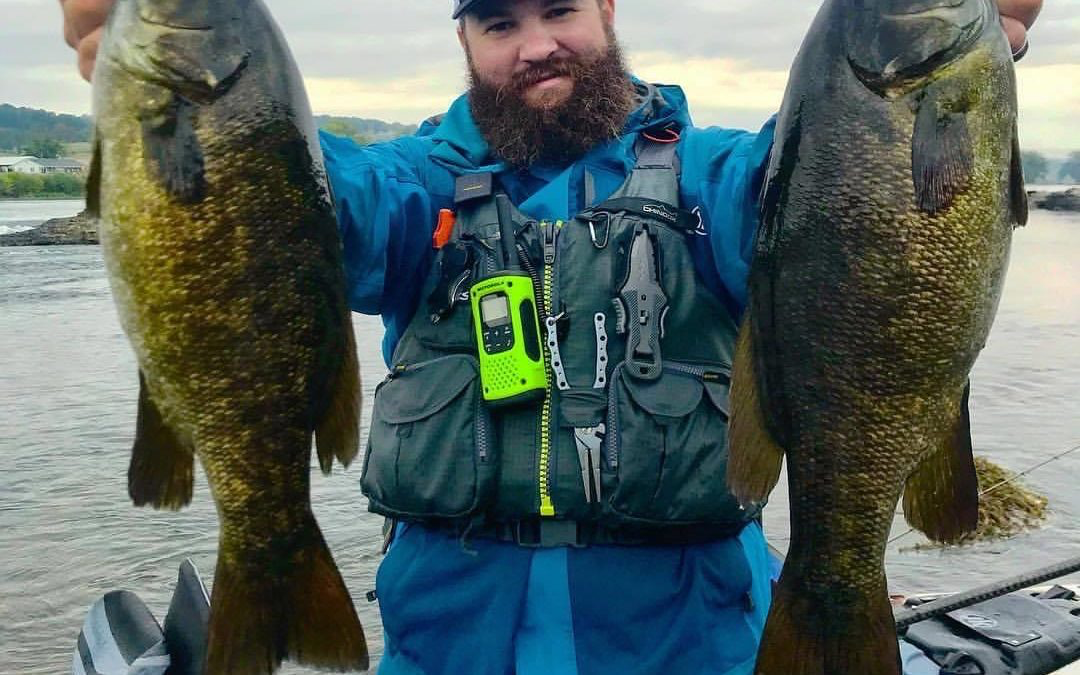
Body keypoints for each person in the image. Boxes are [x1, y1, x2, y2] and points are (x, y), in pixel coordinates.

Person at [59, 0, 1044, 673]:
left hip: (690, 641)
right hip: (449, 642)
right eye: (499, 22)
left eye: (559, 10)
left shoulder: (718, 177)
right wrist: (186, 114)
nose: (535, 45)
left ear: (608, 11)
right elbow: (310, 203)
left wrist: (935, 88)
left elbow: (840, 192)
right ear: (463, 40)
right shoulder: (413, 186)